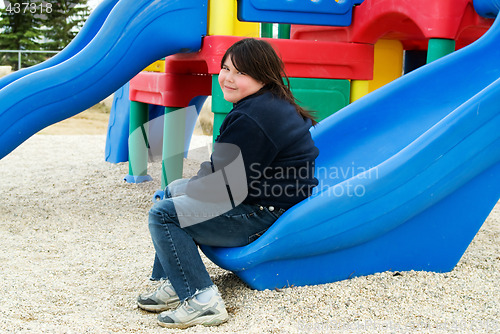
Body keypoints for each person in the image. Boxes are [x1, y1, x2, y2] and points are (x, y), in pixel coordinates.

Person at [137, 38, 319, 329]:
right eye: (225, 68)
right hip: (269, 200)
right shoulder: (269, 103)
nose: (228, 78)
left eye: (240, 72)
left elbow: (225, 186)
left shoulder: (253, 116)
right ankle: (176, 280)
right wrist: (191, 187)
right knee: (174, 191)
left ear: (263, 75)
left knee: (164, 214)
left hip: (263, 213)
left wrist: (193, 190)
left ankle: (202, 301)